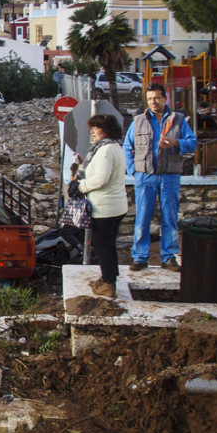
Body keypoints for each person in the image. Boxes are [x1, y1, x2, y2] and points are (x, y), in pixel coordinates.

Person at [124, 83, 197, 272]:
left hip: (169, 176)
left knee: (169, 217)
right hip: (145, 176)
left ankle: (169, 257)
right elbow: (127, 146)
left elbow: (193, 143)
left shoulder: (179, 120)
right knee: (142, 217)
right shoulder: (138, 120)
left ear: (165, 98)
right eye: (150, 99)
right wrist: (133, 170)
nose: (153, 102)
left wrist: (176, 143)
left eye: (156, 98)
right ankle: (140, 257)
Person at [72, 114, 128, 298]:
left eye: (96, 127)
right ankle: (109, 277)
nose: (92, 131)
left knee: (102, 246)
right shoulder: (112, 147)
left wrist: (81, 186)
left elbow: (101, 178)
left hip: (105, 208)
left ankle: (109, 285)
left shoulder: (105, 150)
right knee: (108, 245)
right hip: (114, 206)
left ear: (106, 129)